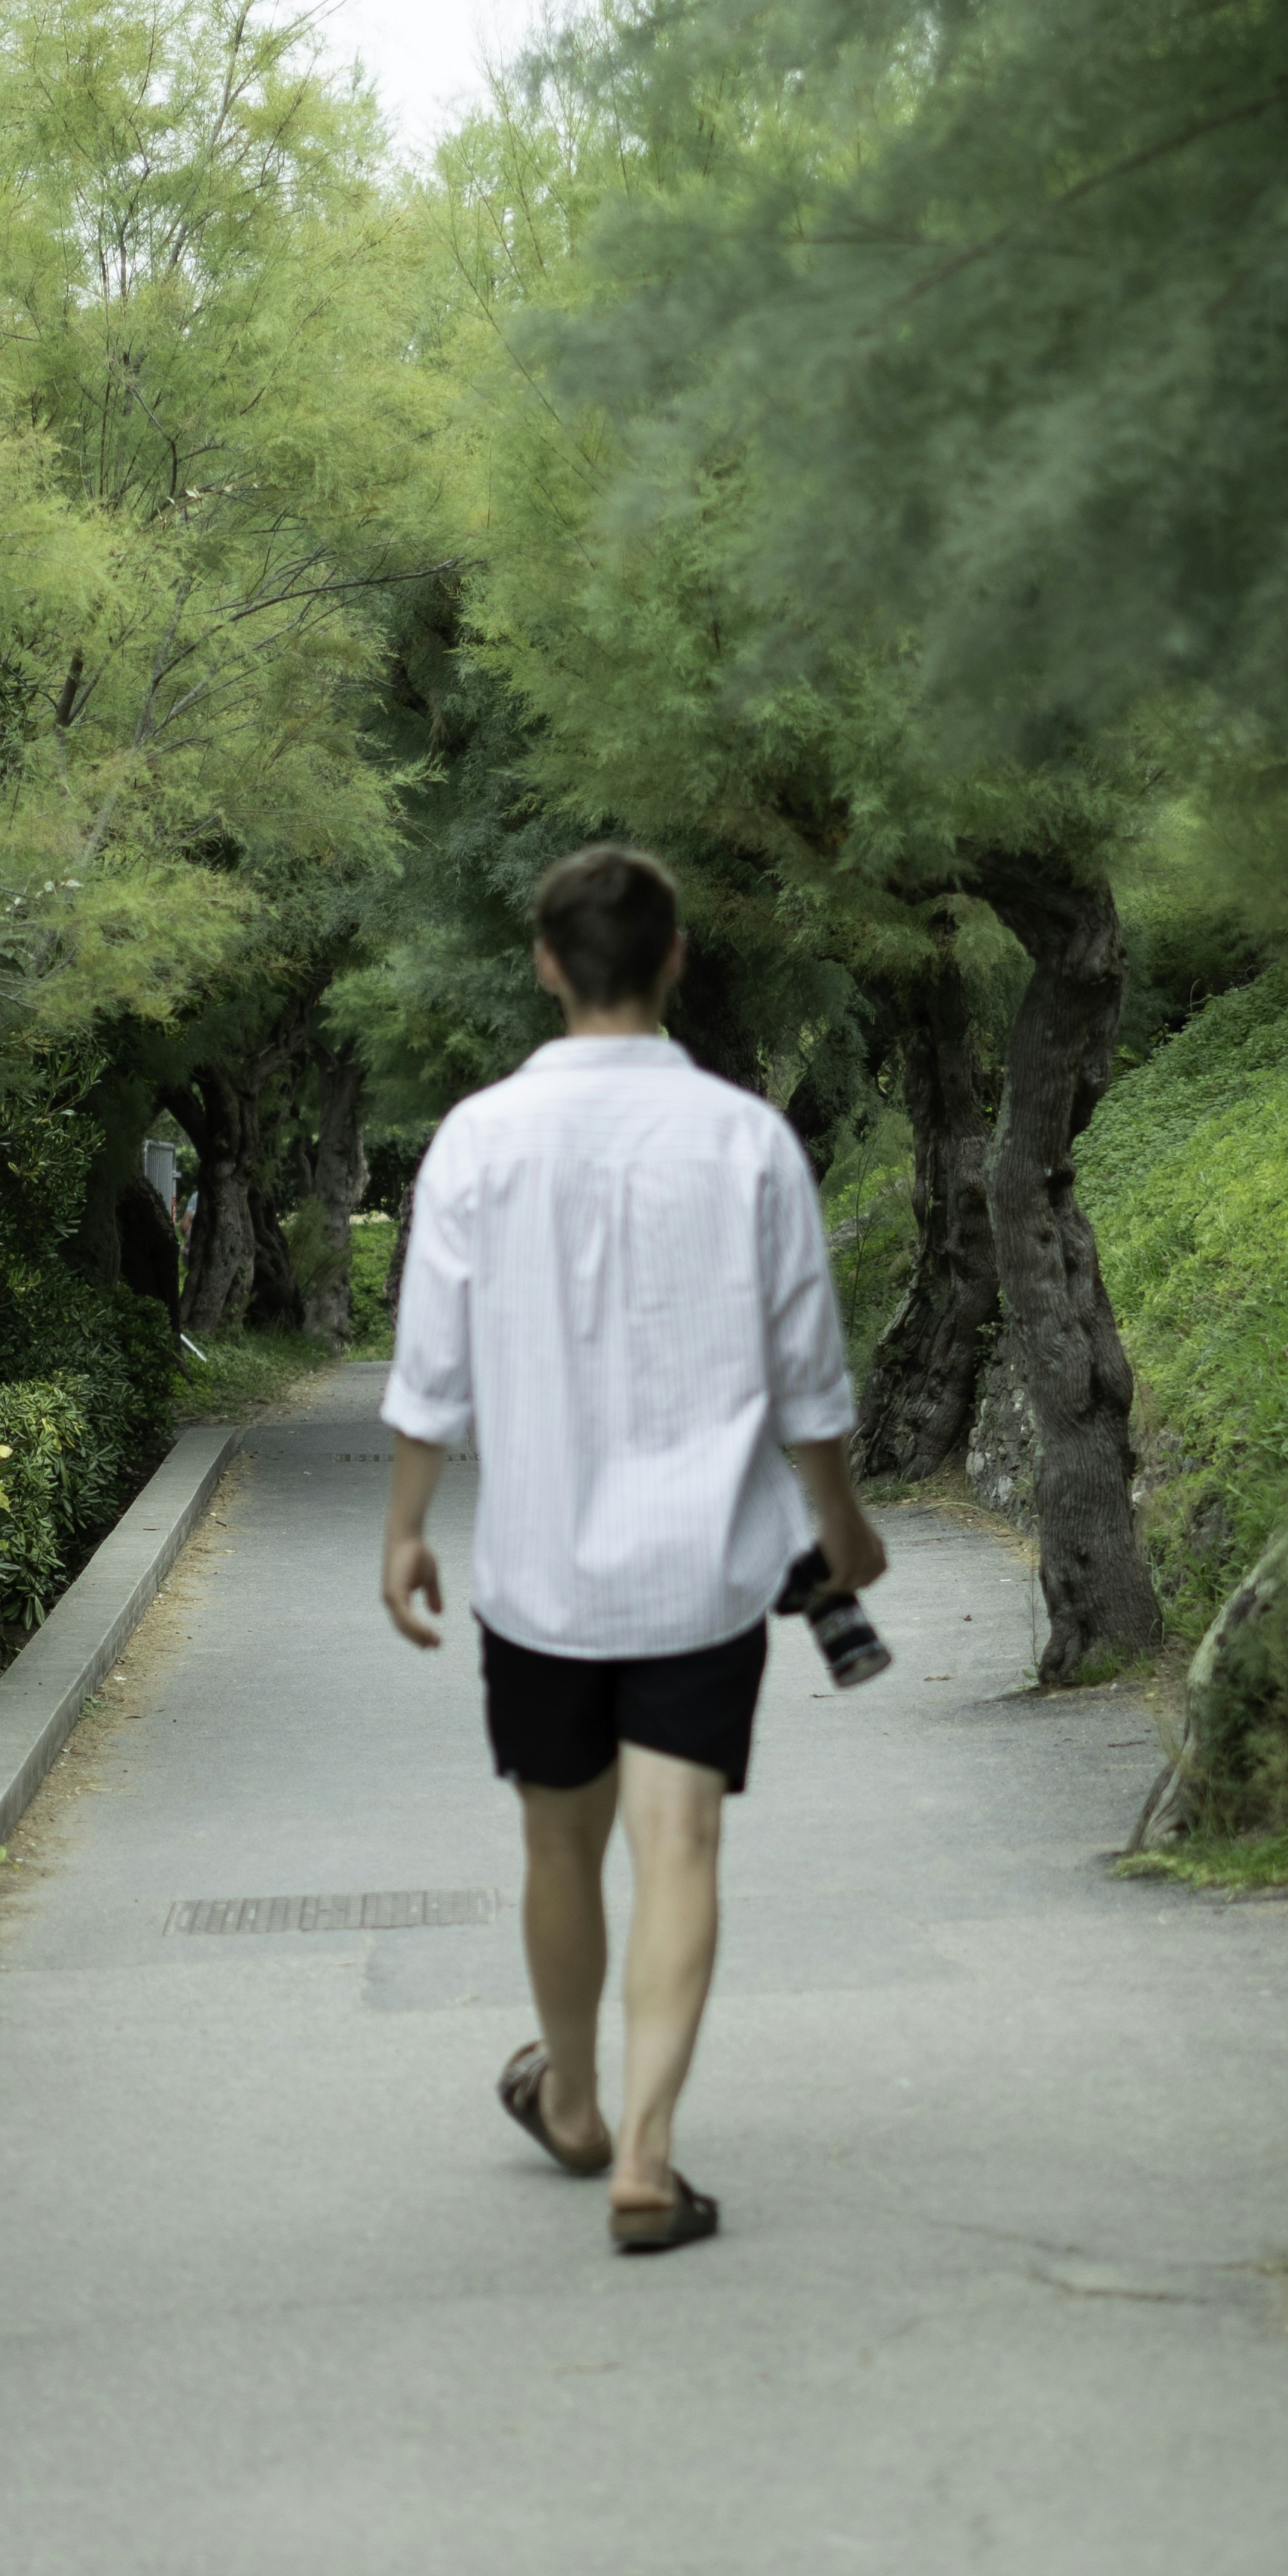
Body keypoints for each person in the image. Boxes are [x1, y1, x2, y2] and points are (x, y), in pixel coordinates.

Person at [377, 842, 888, 2256]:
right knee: (682, 1842)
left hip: (539, 1571)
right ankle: (649, 2161)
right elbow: (807, 1364)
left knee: (559, 1841)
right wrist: (839, 1515)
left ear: (546, 964)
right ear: (673, 961)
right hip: (702, 1568)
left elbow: (435, 1359)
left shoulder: (479, 1137)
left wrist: (408, 1523)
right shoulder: (745, 1138)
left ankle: (582, 2102)